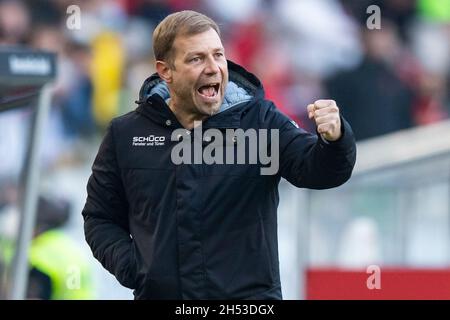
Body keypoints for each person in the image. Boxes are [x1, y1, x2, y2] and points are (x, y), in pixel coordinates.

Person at [82, 10, 356, 300]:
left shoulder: (260, 121)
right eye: (196, 58)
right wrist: (136, 268)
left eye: (218, 55)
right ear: (165, 71)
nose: (213, 68)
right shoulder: (126, 134)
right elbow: (99, 217)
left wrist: (335, 138)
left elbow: (319, 171)